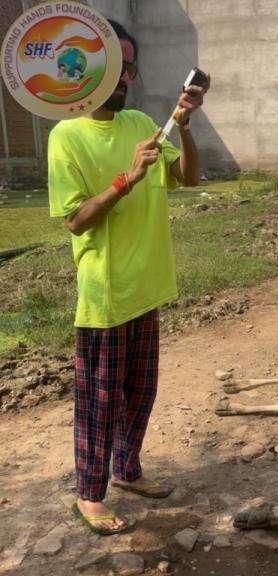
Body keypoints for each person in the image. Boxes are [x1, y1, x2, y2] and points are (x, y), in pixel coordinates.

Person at [48, 19, 210, 534]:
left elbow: (188, 178)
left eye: (128, 66)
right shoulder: (65, 135)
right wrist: (125, 180)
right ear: (88, 70)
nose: (122, 77)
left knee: (140, 393)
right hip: (105, 294)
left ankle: (128, 470)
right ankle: (90, 494)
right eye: (112, 65)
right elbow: (75, 219)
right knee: (98, 400)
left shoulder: (144, 123)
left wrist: (182, 125)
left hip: (147, 286)